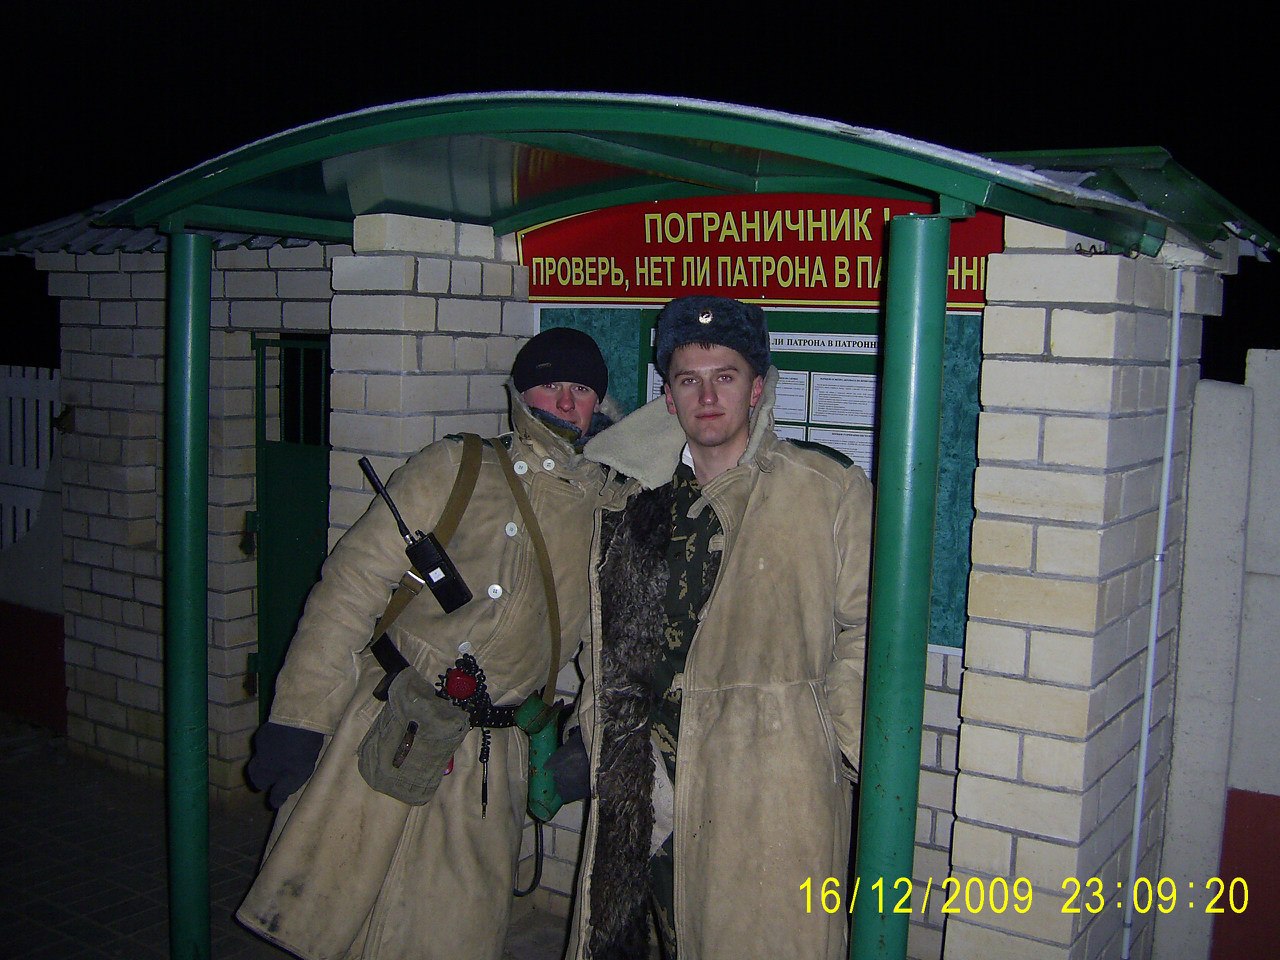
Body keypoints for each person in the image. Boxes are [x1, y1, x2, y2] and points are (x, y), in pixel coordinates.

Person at [237, 326, 615, 960]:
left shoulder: (607, 506)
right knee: (341, 917)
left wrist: (589, 736)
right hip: (383, 725)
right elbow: (350, 587)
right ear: (521, 393)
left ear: (599, 403)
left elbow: (609, 644)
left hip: (488, 760)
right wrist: (299, 716)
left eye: (581, 389)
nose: (566, 402)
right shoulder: (455, 466)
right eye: (551, 384)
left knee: (449, 932)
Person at [563, 296, 873, 960]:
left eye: (725, 376)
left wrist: (833, 743)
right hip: (649, 790)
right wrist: (597, 728)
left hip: (771, 786)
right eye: (689, 379)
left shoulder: (825, 489)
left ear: (757, 387)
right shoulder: (628, 498)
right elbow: (602, 637)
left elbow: (867, 629)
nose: (707, 397)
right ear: (668, 395)